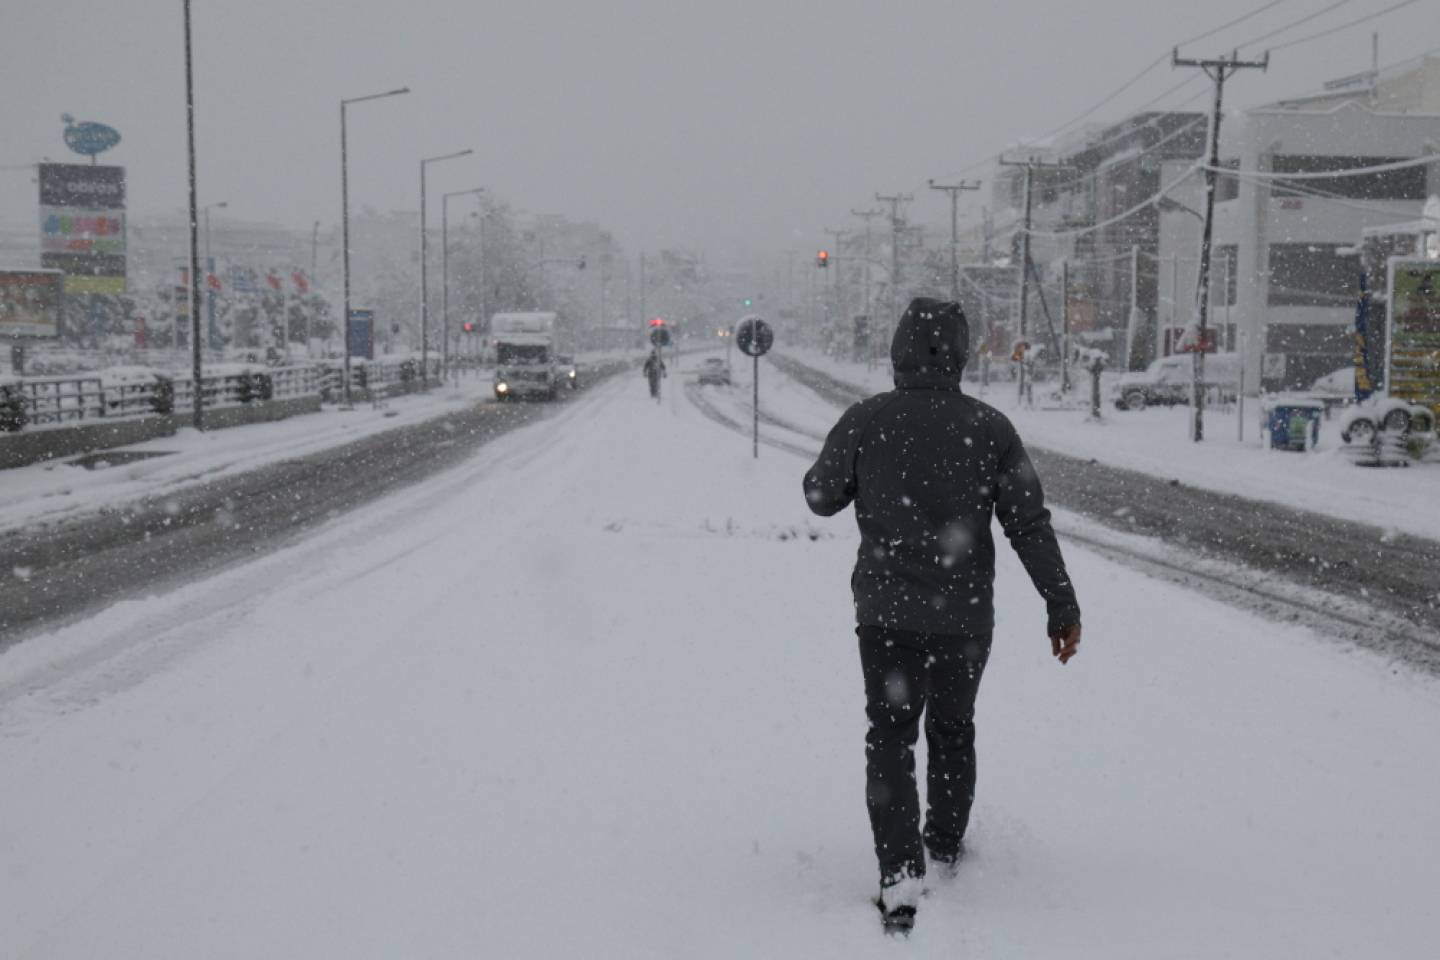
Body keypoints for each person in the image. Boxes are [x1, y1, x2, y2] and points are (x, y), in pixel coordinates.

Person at [802, 297, 1082, 935]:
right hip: (964, 617)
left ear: (898, 349)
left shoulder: (867, 419)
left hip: (886, 615)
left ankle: (900, 872)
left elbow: (821, 496)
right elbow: (1028, 524)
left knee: (891, 736)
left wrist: (861, 474)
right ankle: (946, 845)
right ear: (960, 353)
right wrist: (1060, 604)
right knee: (953, 729)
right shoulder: (990, 428)